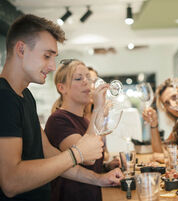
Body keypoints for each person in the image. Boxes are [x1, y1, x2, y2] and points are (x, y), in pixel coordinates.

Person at [0, 14, 117, 201]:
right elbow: (11, 182)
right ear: (21, 49)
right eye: (46, 56)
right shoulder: (4, 98)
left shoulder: (25, 96)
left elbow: (50, 154)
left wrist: (99, 179)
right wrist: (77, 153)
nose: (53, 67)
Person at [45, 60, 123, 201]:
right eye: (79, 78)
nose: (87, 82)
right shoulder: (58, 120)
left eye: (89, 78)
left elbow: (89, 165)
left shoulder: (85, 121)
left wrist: (106, 167)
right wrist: (98, 108)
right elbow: (88, 158)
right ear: (62, 88)